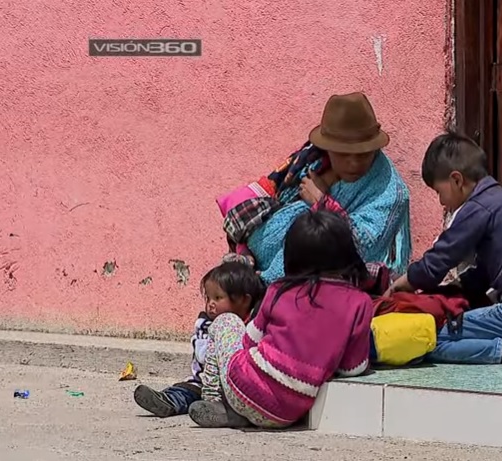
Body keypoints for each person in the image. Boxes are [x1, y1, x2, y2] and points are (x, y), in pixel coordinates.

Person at [385, 130, 502, 364]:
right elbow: (487, 270)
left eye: (439, 192)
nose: (441, 201)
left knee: (429, 338)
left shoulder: (477, 207)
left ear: (457, 180)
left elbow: (440, 260)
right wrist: (459, 286)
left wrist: (405, 282)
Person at [187, 210, 374, 428]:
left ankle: (214, 399)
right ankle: (239, 416)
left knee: (226, 320)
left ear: (291, 254)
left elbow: (249, 341)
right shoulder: (360, 302)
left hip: (242, 387)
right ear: (346, 252)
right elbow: (353, 368)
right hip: (287, 414)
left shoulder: (279, 290)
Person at [215, 92, 411, 283]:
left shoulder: (390, 193)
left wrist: (322, 203)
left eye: (362, 154)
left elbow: (363, 249)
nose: (353, 163)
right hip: (260, 267)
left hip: (331, 285)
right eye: (343, 154)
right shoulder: (311, 161)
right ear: (328, 148)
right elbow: (275, 201)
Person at [133, 261, 265, 417]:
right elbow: (202, 354)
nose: (210, 305)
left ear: (244, 300)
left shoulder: (255, 325)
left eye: (217, 297)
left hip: (235, 385)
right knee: (185, 391)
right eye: (208, 298)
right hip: (202, 381)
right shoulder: (206, 324)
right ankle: (166, 401)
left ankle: (217, 411)